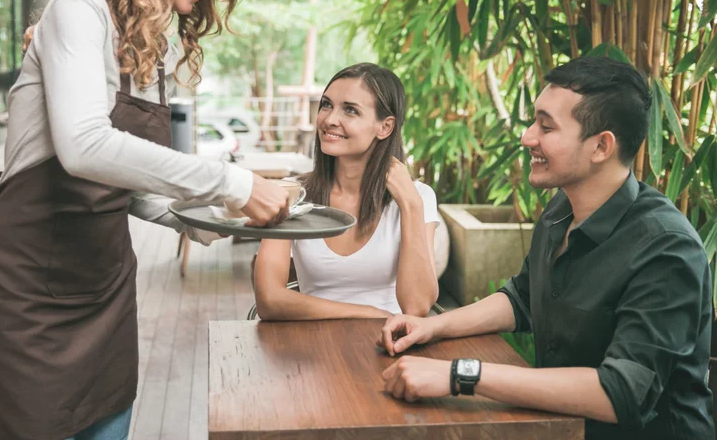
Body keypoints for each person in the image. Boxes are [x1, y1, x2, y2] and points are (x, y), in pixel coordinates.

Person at [0, 0, 291, 439]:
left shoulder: (146, 43)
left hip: (104, 294)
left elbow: (125, 185)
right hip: (25, 296)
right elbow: (85, 149)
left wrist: (204, 219)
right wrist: (234, 183)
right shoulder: (78, 8)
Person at [377, 56, 714, 440]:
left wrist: (460, 374)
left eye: (546, 126)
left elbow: (622, 393)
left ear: (601, 146)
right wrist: (432, 326)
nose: (527, 137)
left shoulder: (666, 249)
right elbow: (523, 297)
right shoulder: (561, 208)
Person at [253, 63, 440, 320]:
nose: (329, 119)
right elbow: (269, 301)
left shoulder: (418, 197)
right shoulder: (292, 193)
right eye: (327, 104)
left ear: (385, 127)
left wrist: (410, 204)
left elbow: (417, 307)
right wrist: (369, 313)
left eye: (350, 110)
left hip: (392, 346)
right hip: (311, 345)